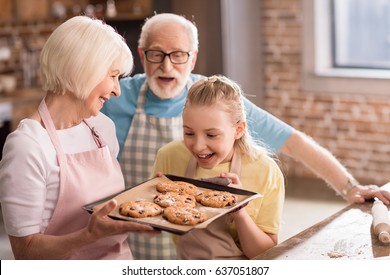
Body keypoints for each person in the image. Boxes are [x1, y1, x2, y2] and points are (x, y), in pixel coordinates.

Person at [101, 13, 390, 259]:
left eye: (178, 55)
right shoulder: (113, 95)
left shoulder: (213, 100)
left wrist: (350, 187)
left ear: (193, 58)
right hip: (139, 243)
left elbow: (293, 142)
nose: (166, 66)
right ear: (141, 55)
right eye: (156, 54)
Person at [0, 15, 155, 260]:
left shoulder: (102, 128)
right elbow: (25, 252)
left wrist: (154, 196)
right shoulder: (27, 145)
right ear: (84, 70)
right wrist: (89, 235)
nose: (117, 89)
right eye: (113, 75)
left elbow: (110, 209)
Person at [152, 75, 285, 259]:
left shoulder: (266, 171)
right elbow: (154, 223)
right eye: (189, 133)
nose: (198, 146)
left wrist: (240, 212)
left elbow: (265, 255)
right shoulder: (169, 156)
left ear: (238, 130)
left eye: (212, 135)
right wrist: (156, 200)